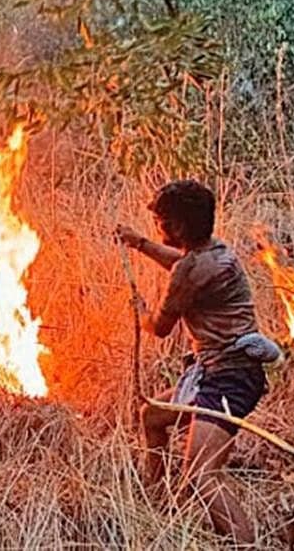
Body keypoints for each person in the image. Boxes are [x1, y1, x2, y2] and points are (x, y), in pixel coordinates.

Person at [118, 180, 270, 545]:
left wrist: (139, 310)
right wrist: (139, 243)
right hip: (215, 374)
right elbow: (181, 262)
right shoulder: (217, 252)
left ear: (179, 227)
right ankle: (154, 505)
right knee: (151, 417)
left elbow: (160, 327)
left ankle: (245, 543)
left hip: (229, 381)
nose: (158, 228)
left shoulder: (193, 271)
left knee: (202, 477)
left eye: (162, 222)